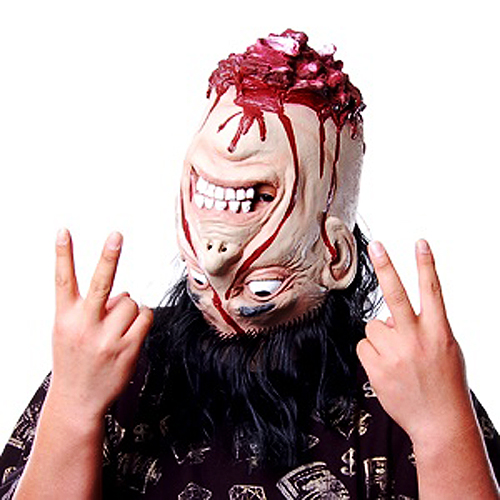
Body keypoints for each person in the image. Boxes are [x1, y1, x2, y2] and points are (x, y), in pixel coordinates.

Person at [1, 29, 499, 499]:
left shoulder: (405, 382)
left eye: (262, 287)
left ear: (336, 255)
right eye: (200, 279)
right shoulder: (115, 365)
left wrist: (441, 427)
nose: (218, 269)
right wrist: (72, 407)